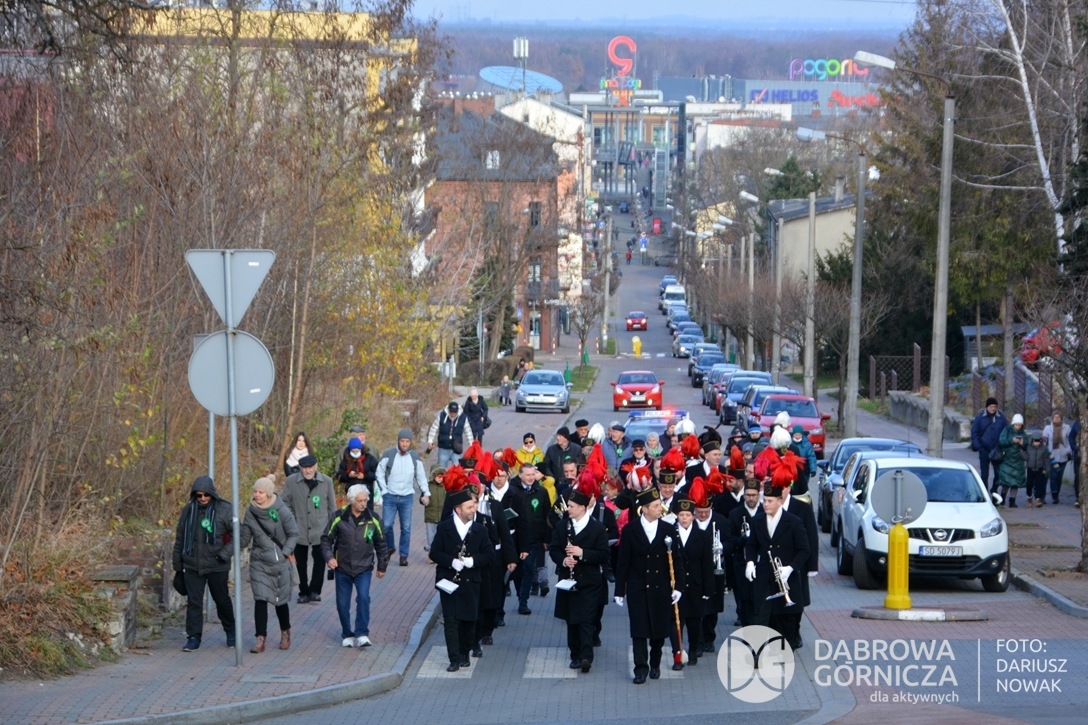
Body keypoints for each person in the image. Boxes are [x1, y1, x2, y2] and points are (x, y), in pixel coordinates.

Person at [614, 487, 685, 685]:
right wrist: (620, 590)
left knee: (658, 631)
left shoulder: (668, 529)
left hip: (661, 588)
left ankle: (655, 664)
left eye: (659, 505)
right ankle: (640, 669)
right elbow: (623, 562)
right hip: (637, 587)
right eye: (655, 506)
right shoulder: (630, 530)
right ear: (644, 509)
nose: (659, 509)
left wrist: (679, 587)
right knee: (639, 630)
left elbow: (677, 559)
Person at [429, 486, 495, 671]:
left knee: (469, 620)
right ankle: (454, 658)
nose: (473, 510)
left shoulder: (480, 530)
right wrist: (451, 562)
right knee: (451, 621)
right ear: (458, 509)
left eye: (474, 506)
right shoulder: (444, 528)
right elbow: (435, 552)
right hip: (449, 581)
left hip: (471, 582)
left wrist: (472, 561)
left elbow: (490, 555)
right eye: (469, 507)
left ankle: (465, 652)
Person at [550, 479, 610, 673]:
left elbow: (604, 555)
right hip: (569, 581)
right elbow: (554, 549)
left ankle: (586, 656)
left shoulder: (597, 528)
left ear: (583, 507)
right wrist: (563, 560)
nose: (568, 509)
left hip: (590, 582)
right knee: (571, 619)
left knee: (586, 619)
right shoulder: (562, 526)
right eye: (568, 505)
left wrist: (582, 553)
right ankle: (575, 654)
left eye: (572, 506)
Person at [172, 476, 236, 652]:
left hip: (217, 564)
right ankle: (193, 637)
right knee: (194, 603)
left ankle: (231, 631)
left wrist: (224, 554)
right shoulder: (188, 511)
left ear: (212, 494)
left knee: (222, 600)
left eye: (206, 495)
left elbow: (239, 535)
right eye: (199, 495)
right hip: (193, 564)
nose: (202, 499)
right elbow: (180, 538)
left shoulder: (225, 509)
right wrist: (178, 566)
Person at [322, 484, 390, 648]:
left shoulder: (373, 519)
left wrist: (382, 566)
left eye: (365, 500)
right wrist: (329, 558)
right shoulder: (338, 517)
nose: (363, 504)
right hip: (342, 568)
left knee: (364, 598)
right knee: (342, 603)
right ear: (352, 501)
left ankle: (362, 633)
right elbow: (326, 539)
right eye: (360, 501)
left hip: (364, 568)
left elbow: (381, 543)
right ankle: (347, 634)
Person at [240, 477, 299, 653]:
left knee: (280, 601)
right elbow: (245, 538)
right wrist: (231, 535)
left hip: (280, 562)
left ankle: (285, 632)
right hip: (259, 562)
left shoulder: (281, 510)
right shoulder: (251, 512)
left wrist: (285, 552)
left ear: (268, 494)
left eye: (261, 492)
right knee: (260, 599)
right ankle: (260, 638)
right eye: (255, 491)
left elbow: (294, 533)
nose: (257, 495)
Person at [744, 483, 809, 637]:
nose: (765, 504)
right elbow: (752, 545)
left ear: (780, 501)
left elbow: (805, 550)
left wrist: (790, 568)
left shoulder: (793, 522)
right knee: (760, 618)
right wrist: (750, 562)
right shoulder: (757, 520)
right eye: (764, 500)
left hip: (786, 580)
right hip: (764, 578)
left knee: (784, 622)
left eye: (770, 501)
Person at [281, 454, 336, 604]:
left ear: (316, 466)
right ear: (300, 468)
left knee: (320, 561)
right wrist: (292, 519)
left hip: (320, 528)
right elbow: (285, 502)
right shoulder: (291, 481)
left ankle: (315, 591)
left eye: (310, 467)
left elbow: (332, 507)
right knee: (300, 562)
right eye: (304, 468)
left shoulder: (327, 481)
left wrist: (332, 528)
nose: (307, 470)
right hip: (299, 529)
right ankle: (303, 591)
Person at [672, 493, 714, 668]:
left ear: (693, 516)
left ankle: (694, 649)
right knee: (676, 621)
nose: (684, 518)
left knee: (694, 622)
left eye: (687, 515)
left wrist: (708, 588)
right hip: (677, 585)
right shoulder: (671, 534)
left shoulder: (703, 536)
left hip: (696, 585)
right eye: (681, 515)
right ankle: (678, 653)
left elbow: (707, 564)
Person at [377, 428, 428, 567]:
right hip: (390, 496)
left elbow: (421, 476)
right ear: (398, 441)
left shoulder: (415, 457)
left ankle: (403, 555)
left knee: (406, 527)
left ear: (410, 442)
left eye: (407, 441)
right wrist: (384, 491)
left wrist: (426, 492)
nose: (404, 444)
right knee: (387, 525)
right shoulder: (389, 454)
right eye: (402, 441)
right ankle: (390, 547)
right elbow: (379, 472)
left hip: (407, 497)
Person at [780, 474, 818, 650]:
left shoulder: (802, 507)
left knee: (798, 599)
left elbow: (812, 535)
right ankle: (787, 633)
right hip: (779, 560)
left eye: (783, 487)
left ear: (789, 488)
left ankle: (796, 630)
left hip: (798, 561)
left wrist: (812, 565)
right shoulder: (770, 506)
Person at [512, 462, 551, 614]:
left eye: (533, 474)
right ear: (520, 474)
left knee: (528, 568)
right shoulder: (512, 490)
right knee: (518, 570)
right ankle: (519, 593)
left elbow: (547, 514)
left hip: (534, 537)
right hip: (516, 538)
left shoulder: (541, 491)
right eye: (527, 475)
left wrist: (546, 538)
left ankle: (523, 602)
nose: (530, 477)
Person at [726, 480, 761, 628]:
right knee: (744, 595)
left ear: (759, 495)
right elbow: (730, 538)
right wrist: (743, 540)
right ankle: (745, 622)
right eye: (748, 495)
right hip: (741, 561)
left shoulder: (764, 512)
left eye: (754, 495)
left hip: (760, 562)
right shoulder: (735, 513)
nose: (751, 498)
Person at [971, 398, 1008, 492]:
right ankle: (984, 493)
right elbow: (974, 433)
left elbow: (1007, 431)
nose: (993, 408)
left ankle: (994, 490)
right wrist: (979, 447)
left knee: (998, 473)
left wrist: (1002, 445)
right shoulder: (980, 418)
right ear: (987, 407)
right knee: (984, 474)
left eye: (995, 406)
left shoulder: (1001, 418)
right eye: (991, 406)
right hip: (984, 449)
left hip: (997, 450)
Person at [427, 402, 474, 468]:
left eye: (454, 412)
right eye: (451, 411)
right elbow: (434, 428)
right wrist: (430, 441)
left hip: (457, 449)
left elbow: (468, 432)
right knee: (442, 469)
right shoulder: (441, 415)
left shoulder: (463, 418)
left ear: (457, 411)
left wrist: (471, 445)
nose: (452, 413)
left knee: (458, 469)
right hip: (443, 447)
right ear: (448, 410)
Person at [336, 436, 378, 505]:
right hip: (351, 493)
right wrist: (348, 475)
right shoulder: (346, 460)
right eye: (353, 451)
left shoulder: (370, 459)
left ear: (361, 449)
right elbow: (339, 475)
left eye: (357, 451)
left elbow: (377, 474)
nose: (355, 453)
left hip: (367, 492)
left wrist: (365, 476)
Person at [997, 414, 1028, 508]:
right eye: (1016, 425)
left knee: (1016, 482)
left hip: (1018, 460)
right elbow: (1001, 442)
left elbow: (1027, 446)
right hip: (1007, 459)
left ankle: (1012, 501)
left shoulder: (1023, 433)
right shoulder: (1006, 430)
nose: (1018, 427)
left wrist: (1023, 443)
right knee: (1006, 481)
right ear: (1013, 424)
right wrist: (1012, 441)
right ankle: (1002, 499)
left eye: (1020, 425)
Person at [1043, 412, 1073, 505]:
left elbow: (1071, 439)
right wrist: (1047, 453)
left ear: (1061, 418)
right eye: (1055, 417)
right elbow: (1044, 442)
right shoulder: (1048, 428)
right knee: (1053, 476)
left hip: (1063, 455)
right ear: (1052, 418)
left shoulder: (1067, 427)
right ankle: (1054, 494)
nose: (1056, 418)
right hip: (1052, 456)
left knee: (1059, 476)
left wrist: (1068, 450)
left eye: (1058, 417)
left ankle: (1057, 493)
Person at [423, 466, 447, 551]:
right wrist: (423, 500)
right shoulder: (427, 486)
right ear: (433, 476)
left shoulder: (445, 486)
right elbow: (422, 497)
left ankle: (439, 551)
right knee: (431, 536)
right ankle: (431, 551)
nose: (440, 478)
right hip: (431, 515)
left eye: (442, 476)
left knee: (442, 536)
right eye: (438, 476)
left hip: (442, 515)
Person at [1025, 430, 1050, 508]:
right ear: (1032, 440)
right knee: (1029, 484)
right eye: (1035, 441)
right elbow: (1026, 457)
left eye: (1038, 441)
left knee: (1039, 484)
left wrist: (1048, 469)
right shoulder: (1028, 447)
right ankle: (1029, 497)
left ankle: (1038, 499)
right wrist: (1021, 452)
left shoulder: (1044, 448)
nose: (1036, 443)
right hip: (1030, 468)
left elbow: (1046, 459)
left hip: (1040, 468)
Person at [791, 425, 817, 492]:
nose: (797, 437)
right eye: (796, 435)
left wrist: (813, 469)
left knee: (803, 486)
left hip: (804, 470)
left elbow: (811, 457)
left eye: (799, 435)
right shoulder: (790, 443)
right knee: (792, 487)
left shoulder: (807, 444)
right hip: (793, 469)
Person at [1071, 417, 1082, 507]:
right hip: (1078, 454)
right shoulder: (1077, 423)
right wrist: (1075, 448)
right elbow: (1071, 437)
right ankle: (1078, 498)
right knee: (1078, 476)